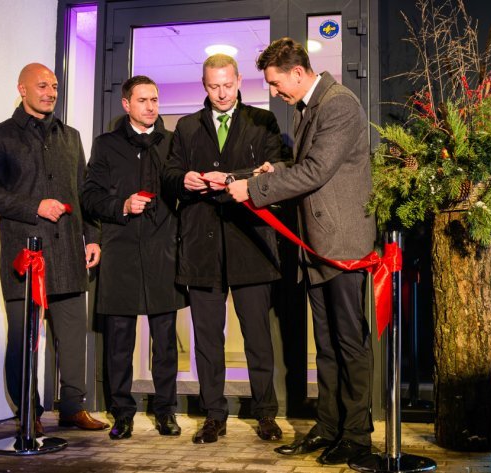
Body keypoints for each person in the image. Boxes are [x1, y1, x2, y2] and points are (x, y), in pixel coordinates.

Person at [226, 38, 376, 465]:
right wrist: (277, 169)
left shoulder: (338, 104)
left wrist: (254, 189)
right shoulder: (309, 107)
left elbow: (316, 171)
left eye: (276, 83)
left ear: (297, 72)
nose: (274, 92)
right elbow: (310, 166)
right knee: (326, 345)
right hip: (317, 244)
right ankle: (329, 427)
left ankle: (356, 436)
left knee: (349, 344)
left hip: (342, 245)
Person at [0, 63, 109, 434]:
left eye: (54, 86)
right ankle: (28, 413)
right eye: (42, 86)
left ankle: (73, 409)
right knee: (23, 341)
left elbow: (84, 195)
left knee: (73, 338)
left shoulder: (71, 137)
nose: (50, 92)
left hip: (67, 255)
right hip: (25, 257)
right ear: (22, 89)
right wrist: (34, 206)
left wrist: (93, 236)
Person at [162, 54, 284, 444]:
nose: (221, 93)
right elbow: (169, 175)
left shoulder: (262, 121)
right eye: (214, 86)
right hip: (202, 247)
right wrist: (185, 180)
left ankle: (265, 413)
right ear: (204, 85)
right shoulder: (185, 126)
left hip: (251, 243)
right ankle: (214, 414)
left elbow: (276, 171)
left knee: (258, 338)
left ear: (239, 81)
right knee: (208, 340)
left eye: (227, 85)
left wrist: (232, 178)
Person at [81, 76, 187, 440]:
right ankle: (122, 414)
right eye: (142, 100)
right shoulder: (106, 145)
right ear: (126, 104)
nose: (151, 106)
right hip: (121, 253)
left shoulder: (173, 143)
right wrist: (122, 205)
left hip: (163, 253)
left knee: (165, 342)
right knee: (119, 342)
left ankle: (166, 411)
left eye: (154, 99)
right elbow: (89, 197)